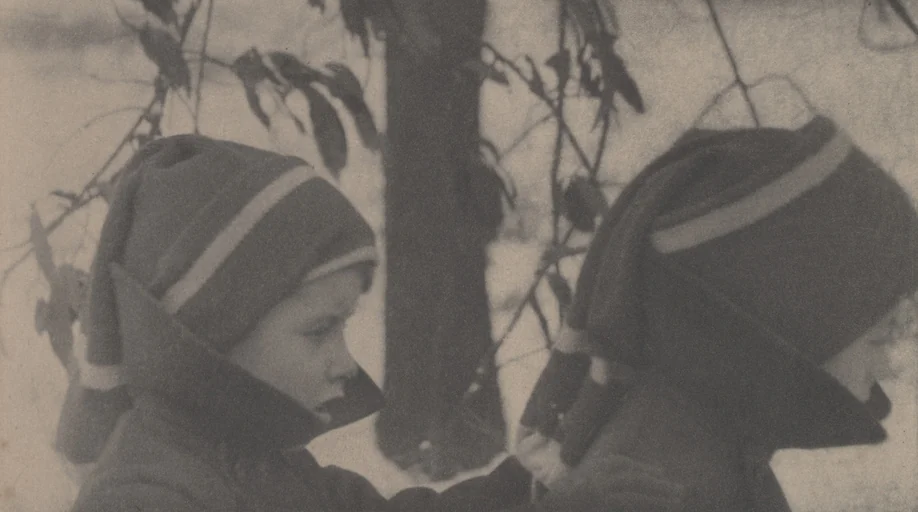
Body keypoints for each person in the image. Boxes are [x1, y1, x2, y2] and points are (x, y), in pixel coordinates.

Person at [57, 134, 684, 512]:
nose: (344, 363)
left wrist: (526, 491)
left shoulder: (263, 464)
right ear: (213, 332)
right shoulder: (148, 494)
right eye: (318, 331)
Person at [516, 114, 918, 512]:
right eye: (877, 339)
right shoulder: (662, 478)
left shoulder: (704, 438)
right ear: (796, 322)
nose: (887, 365)